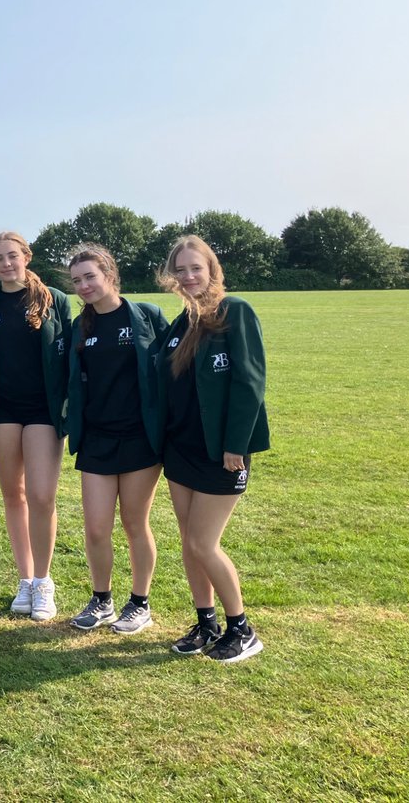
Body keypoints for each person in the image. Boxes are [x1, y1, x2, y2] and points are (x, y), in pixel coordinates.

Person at [155, 235, 270, 663]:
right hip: (181, 450)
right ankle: (207, 623)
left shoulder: (233, 311)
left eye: (195, 268)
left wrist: (235, 445)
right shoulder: (181, 322)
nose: (188, 277)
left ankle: (243, 629)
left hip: (222, 452)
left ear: (212, 270)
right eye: (180, 270)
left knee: (204, 543)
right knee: (188, 541)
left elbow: (250, 382)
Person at [64, 245, 168, 634]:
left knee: (134, 523)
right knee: (95, 527)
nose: (84, 286)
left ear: (109, 273)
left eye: (90, 276)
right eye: (77, 281)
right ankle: (101, 600)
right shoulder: (81, 326)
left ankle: (139, 603)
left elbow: (173, 368)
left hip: (140, 438)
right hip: (97, 438)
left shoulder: (145, 315)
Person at [0, 231, 71, 622]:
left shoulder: (54, 299)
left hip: (43, 410)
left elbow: (66, 353)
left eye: (12, 256)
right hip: (3, 410)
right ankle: (26, 579)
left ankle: (44, 582)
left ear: (26, 256)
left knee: (42, 495)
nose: (6, 264)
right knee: (13, 494)